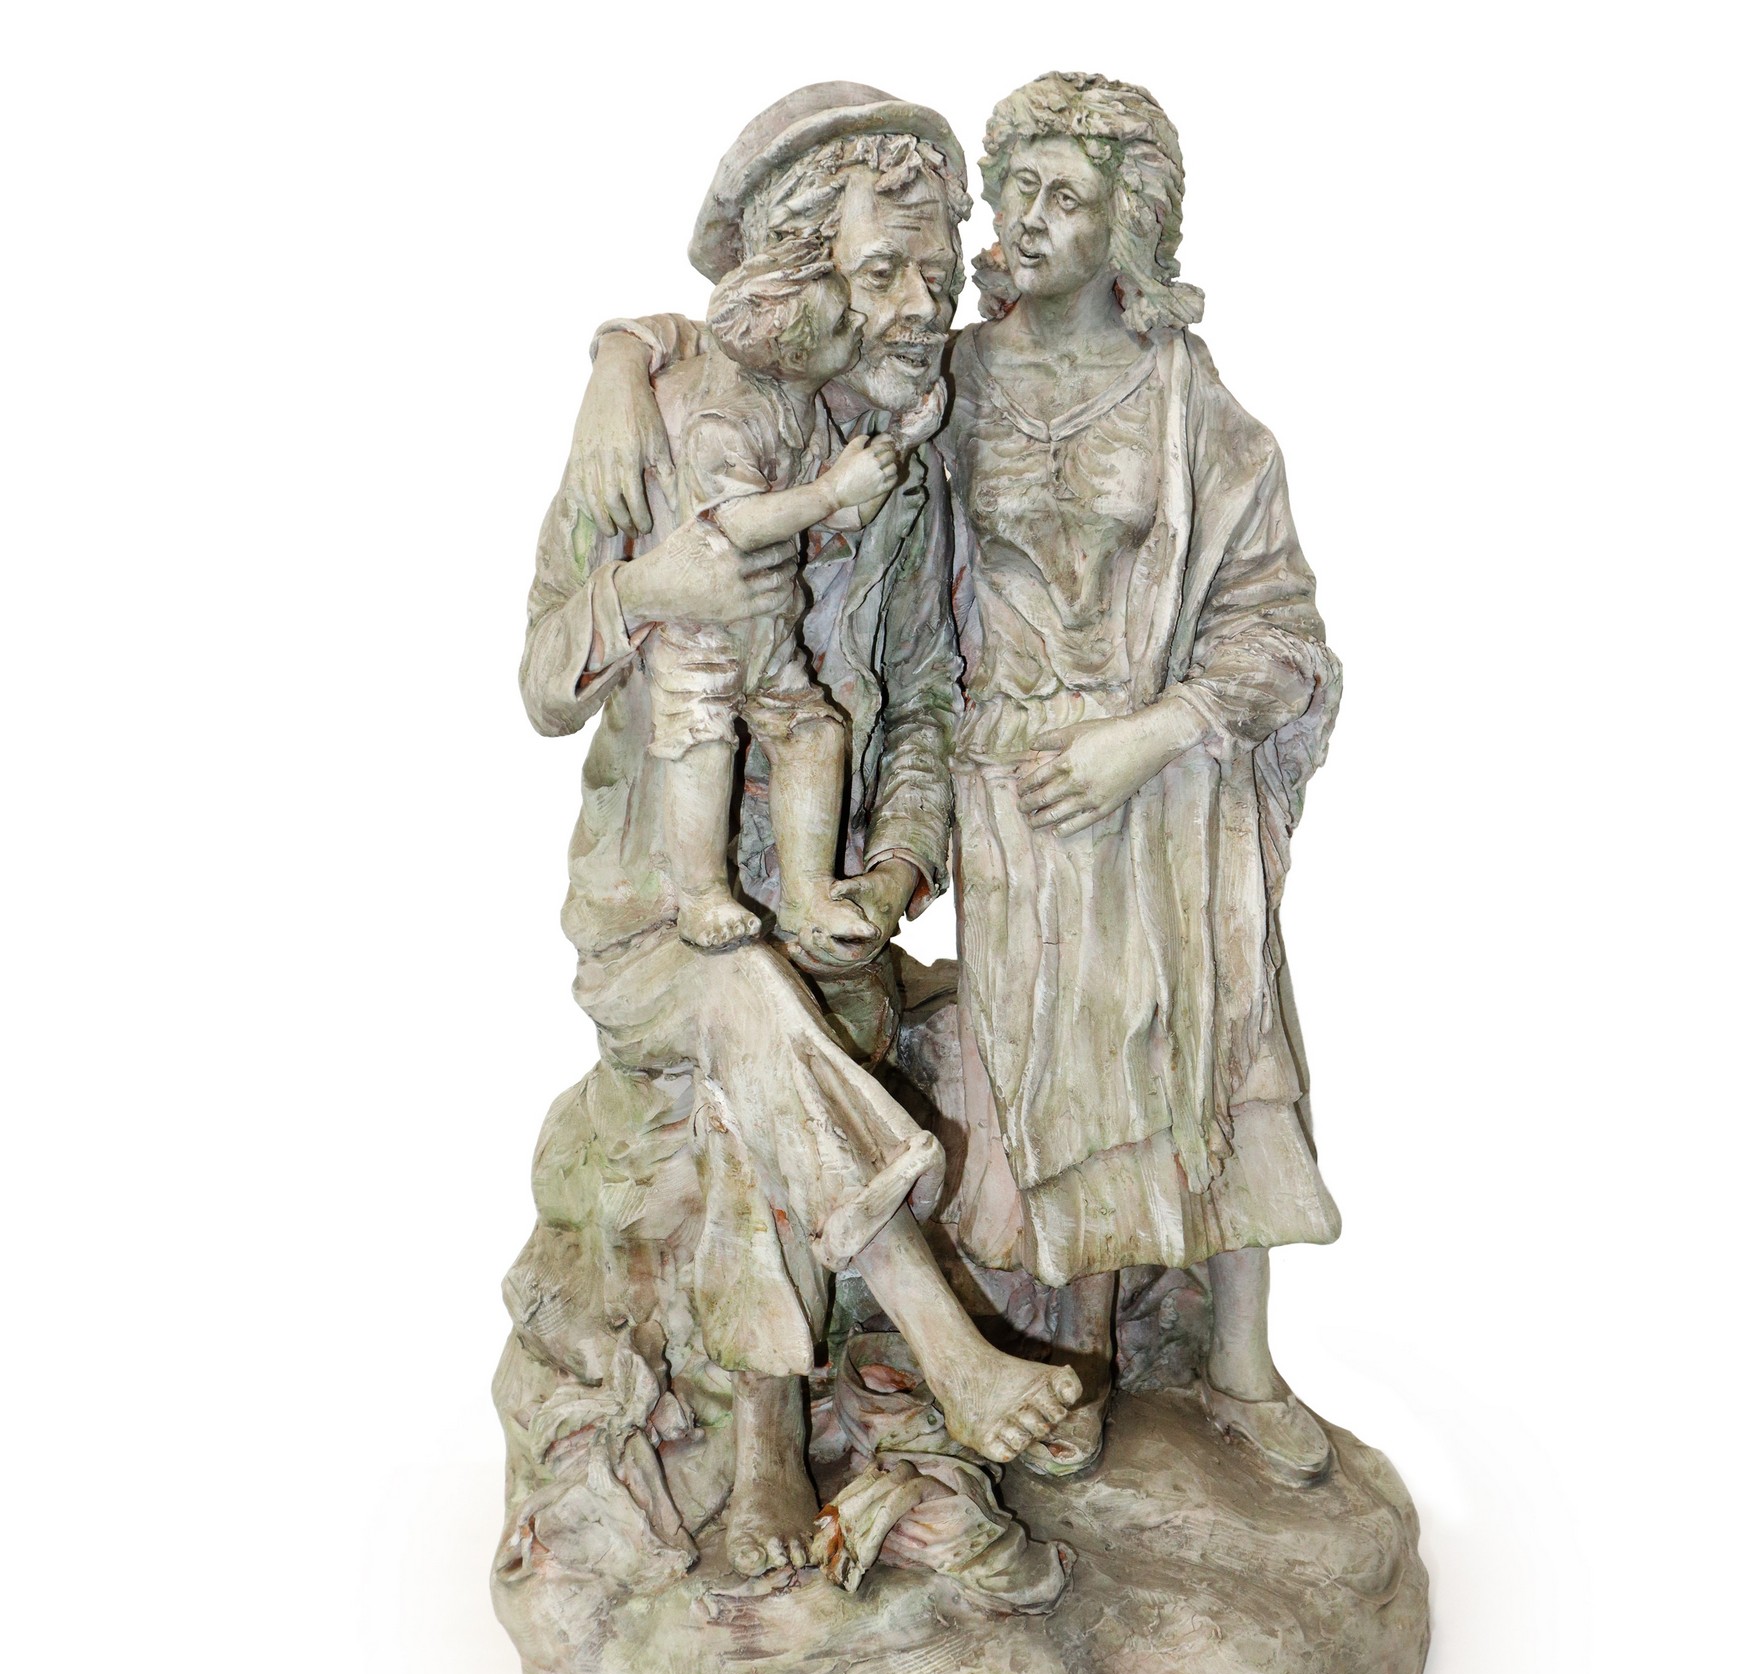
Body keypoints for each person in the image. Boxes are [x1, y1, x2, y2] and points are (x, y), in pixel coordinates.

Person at [522, 86, 1080, 1579]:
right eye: (882, 268)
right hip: (665, 915)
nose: (918, 304)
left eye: (935, 271)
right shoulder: (658, 414)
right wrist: (654, 588)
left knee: (854, 1009)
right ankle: (821, 1415)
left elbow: (929, 701)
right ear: (800, 267)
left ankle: (862, 1397)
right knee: (746, 1012)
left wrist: (894, 871)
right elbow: (541, 681)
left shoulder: (905, 466)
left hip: (822, 905)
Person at [938, 73, 1344, 1483]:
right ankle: (1071, 1355)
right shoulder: (949, 384)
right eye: (1018, 186)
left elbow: (1276, 623)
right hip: (1016, 786)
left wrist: (1155, 734)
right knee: (1046, 1061)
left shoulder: (1187, 401)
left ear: (1129, 223)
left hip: (1166, 783)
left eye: (1067, 195)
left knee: (1217, 1043)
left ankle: (1238, 1364)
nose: (1030, 217)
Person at [646, 240, 899, 951]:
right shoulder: (724, 421)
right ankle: (700, 896)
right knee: (701, 741)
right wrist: (831, 493)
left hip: (765, 627)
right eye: (841, 323)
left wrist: (865, 484)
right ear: (792, 352)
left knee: (814, 733)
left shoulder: (803, 408)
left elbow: (839, 514)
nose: (858, 324)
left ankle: (809, 895)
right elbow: (738, 522)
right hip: (704, 631)